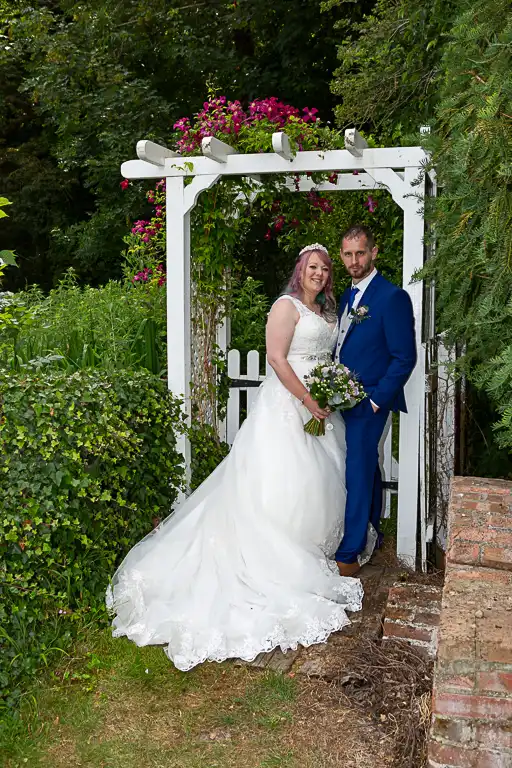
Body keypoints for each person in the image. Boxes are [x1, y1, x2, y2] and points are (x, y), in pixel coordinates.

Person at [106, 244, 363, 672]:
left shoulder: (327, 312)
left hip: (319, 408)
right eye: (312, 267)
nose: (318, 274)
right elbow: (277, 359)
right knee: (283, 481)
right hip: (287, 407)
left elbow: (324, 359)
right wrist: (307, 398)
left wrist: (328, 393)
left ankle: (309, 549)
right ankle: (274, 559)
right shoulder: (285, 306)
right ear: (300, 270)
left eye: (324, 269)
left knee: (317, 481)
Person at [334, 226, 416, 577]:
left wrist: (377, 402)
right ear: (342, 256)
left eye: (360, 253)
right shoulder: (345, 297)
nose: (354, 261)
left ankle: (349, 554)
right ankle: (372, 532)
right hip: (342, 399)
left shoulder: (391, 297)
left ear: (374, 252)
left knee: (357, 469)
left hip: (368, 402)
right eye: (348, 254)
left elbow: (404, 357)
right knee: (364, 467)